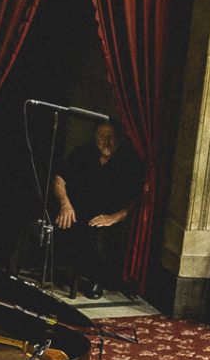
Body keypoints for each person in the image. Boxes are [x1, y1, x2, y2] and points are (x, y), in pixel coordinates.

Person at [49, 116, 145, 297]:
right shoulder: (82, 153)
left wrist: (115, 217)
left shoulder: (129, 161)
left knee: (100, 237)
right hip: (77, 210)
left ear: (119, 137)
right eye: (101, 136)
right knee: (55, 223)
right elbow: (59, 178)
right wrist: (65, 204)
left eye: (111, 136)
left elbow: (137, 197)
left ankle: (96, 279)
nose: (106, 141)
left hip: (109, 216)